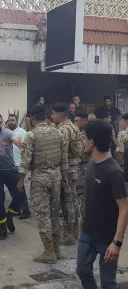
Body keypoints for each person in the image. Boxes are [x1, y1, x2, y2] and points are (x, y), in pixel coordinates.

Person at [76, 119, 128, 289]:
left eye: (85, 138)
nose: (83, 141)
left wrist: (117, 242)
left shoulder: (113, 171)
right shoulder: (92, 163)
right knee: (82, 270)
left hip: (107, 239)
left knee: (108, 283)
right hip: (87, 233)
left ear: (91, 142)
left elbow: (124, 208)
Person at [18, 105, 68, 263]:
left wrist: (20, 180)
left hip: (40, 178)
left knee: (42, 215)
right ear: (46, 116)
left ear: (32, 118)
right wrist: (64, 177)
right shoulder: (58, 132)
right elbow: (64, 157)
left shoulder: (32, 135)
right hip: (56, 177)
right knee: (54, 213)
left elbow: (26, 160)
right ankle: (57, 248)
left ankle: (48, 252)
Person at [52, 103, 83, 245]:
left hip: (67, 170)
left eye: (53, 114)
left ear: (59, 114)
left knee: (67, 202)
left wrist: (63, 175)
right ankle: (76, 231)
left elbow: (63, 152)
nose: (52, 117)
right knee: (74, 200)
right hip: (75, 167)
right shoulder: (74, 127)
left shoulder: (63, 129)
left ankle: (68, 234)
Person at [7, 114, 31, 219]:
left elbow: (28, 146)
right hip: (10, 164)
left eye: (13, 120)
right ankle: (17, 208)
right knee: (14, 189)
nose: (11, 122)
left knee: (20, 189)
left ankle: (26, 210)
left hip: (19, 164)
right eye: (9, 120)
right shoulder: (7, 133)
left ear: (16, 121)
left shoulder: (22, 132)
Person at [74, 111, 90, 219]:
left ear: (84, 120)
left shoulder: (87, 134)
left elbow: (82, 153)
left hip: (85, 167)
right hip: (81, 167)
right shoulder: (79, 133)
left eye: (76, 121)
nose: (75, 123)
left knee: (84, 196)